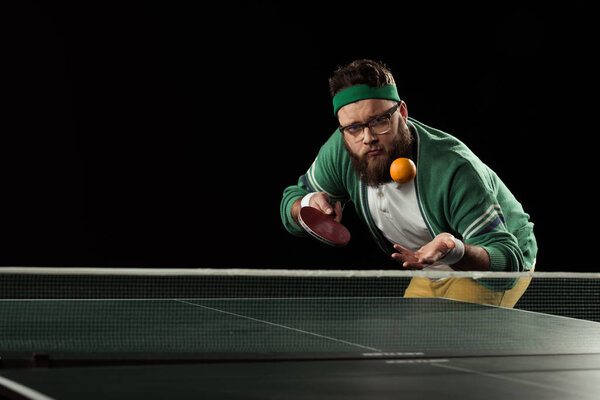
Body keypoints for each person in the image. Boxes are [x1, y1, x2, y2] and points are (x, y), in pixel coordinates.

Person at [280, 59, 537, 307]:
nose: (367, 138)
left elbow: (507, 262)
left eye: (379, 120)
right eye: (354, 128)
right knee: (410, 342)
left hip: (491, 262)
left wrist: (454, 250)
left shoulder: (451, 169)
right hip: (433, 266)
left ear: (402, 113)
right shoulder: (343, 150)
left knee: (450, 344)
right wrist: (306, 205)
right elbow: (294, 198)